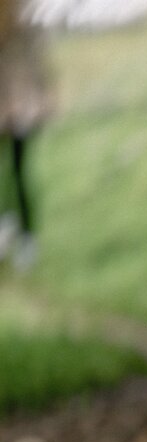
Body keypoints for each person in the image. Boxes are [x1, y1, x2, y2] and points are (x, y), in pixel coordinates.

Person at [0, 0, 52, 270]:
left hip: (21, 111)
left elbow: (38, 72)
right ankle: (6, 227)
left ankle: (27, 237)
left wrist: (39, 105)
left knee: (19, 173)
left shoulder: (26, 29)